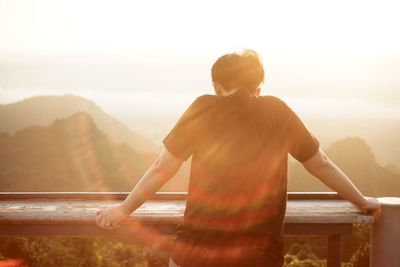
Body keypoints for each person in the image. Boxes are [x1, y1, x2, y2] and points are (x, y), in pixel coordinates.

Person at [96, 49, 381, 267]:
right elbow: (320, 164)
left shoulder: (203, 107)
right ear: (259, 86)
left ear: (216, 85)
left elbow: (162, 168)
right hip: (257, 255)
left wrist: (124, 210)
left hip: (195, 252)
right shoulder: (277, 111)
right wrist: (362, 201)